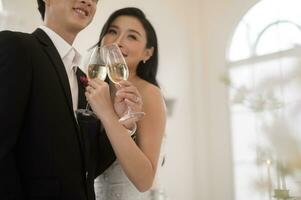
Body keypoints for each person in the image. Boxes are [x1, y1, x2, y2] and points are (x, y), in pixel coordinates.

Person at [0, 0, 116, 199]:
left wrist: (124, 124)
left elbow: (88, 167)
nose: (88, 1)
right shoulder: (16, 46)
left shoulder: (82, 79)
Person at [85, 7, 166, 200]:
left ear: (147, 53)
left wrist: (108, 114)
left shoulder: (148, 94)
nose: (118, 41)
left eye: (132, 37)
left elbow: (144, 180)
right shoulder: (90, 89)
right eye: (113, 31)